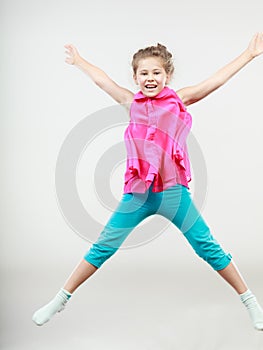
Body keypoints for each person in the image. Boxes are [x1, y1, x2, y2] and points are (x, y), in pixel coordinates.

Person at [32, 33, 263, 330]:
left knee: (207, 247)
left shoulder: (180, 99)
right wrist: (79, 62)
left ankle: (250, 302)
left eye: (156, 73)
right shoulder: (131, 102)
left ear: (168, 75)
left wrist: (247, 55)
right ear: (135, 77)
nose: (150, 78)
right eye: (144, 73)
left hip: (172, 192)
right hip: (139, 195)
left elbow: (214, 82)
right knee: (103, 246)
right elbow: (102, 81)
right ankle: (59, 300)